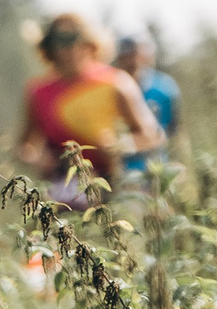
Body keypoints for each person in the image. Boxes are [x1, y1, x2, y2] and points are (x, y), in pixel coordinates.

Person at [16, 13, 164, 206]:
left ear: (90, 43)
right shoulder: (38, 92)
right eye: (60, 40)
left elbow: (153, 135)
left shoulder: (116, 83)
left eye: (75, 38)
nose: (69, 49)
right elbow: (23, 147)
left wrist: (120, 145)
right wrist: (37, 159)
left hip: (117, 186)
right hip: (62, 194)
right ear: (49, 46)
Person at [113, 33, 180, 181]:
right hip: (120, 173)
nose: (132, 61)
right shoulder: (110, 88)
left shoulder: (164, 88)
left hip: (156, 170)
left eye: (135, 55)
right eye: (126, 56)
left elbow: (174, 131)